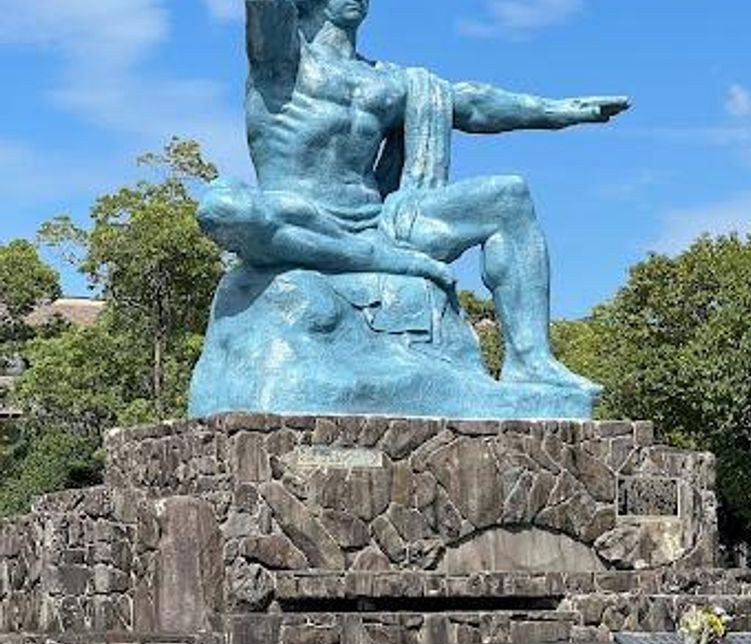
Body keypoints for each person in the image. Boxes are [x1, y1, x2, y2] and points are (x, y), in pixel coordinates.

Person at [199, 0, 629, 393]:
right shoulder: (281, 61)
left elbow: (473, 104)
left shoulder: (388, 82)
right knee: (228, 209)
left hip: (379, 222)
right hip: (298, 217)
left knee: (508, 197)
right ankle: (368, 258)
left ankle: (531, 360)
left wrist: (557, 112)